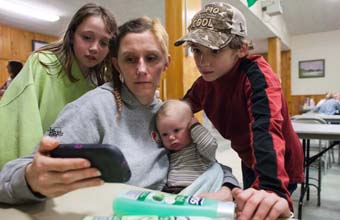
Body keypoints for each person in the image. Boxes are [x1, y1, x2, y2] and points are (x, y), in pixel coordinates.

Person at [0, 16, 238, 205]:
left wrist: (228, 187)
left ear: (166, 63)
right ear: (117, 64)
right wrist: (31, 179)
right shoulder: (93, 107)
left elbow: (206, 160)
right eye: (130, 59)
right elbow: (12, 174)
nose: (142, 69)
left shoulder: (167, 113)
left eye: (151, 58)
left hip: (167, 204)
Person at [175, 2, 303, 219]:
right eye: (197, 51)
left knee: (259, 209)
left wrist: (271, 188)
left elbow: (266, 129)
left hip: (278, 163)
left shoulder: (258, 77)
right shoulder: (203, 84)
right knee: (245, 200)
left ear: (241, 49)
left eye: (214, 51)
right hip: (247, 157)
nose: (202, 62)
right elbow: (178, 111)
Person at [0, 3, 117, 168]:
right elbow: (23, 123)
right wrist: (29, 170)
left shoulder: (101, 84)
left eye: (104, 43)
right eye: (87, 37)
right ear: (72, 35)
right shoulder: (42, 64)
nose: (94, 48)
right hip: (31, 166)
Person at [152, 99, 218, 194]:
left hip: (194, 190)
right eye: (165, 134)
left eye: (176, 130)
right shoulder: (169, 152)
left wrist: (195, 126)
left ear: (189, 127)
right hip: (171, 191)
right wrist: (157, 138)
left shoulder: (199, 150)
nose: (171, 137)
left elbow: (210, 145)